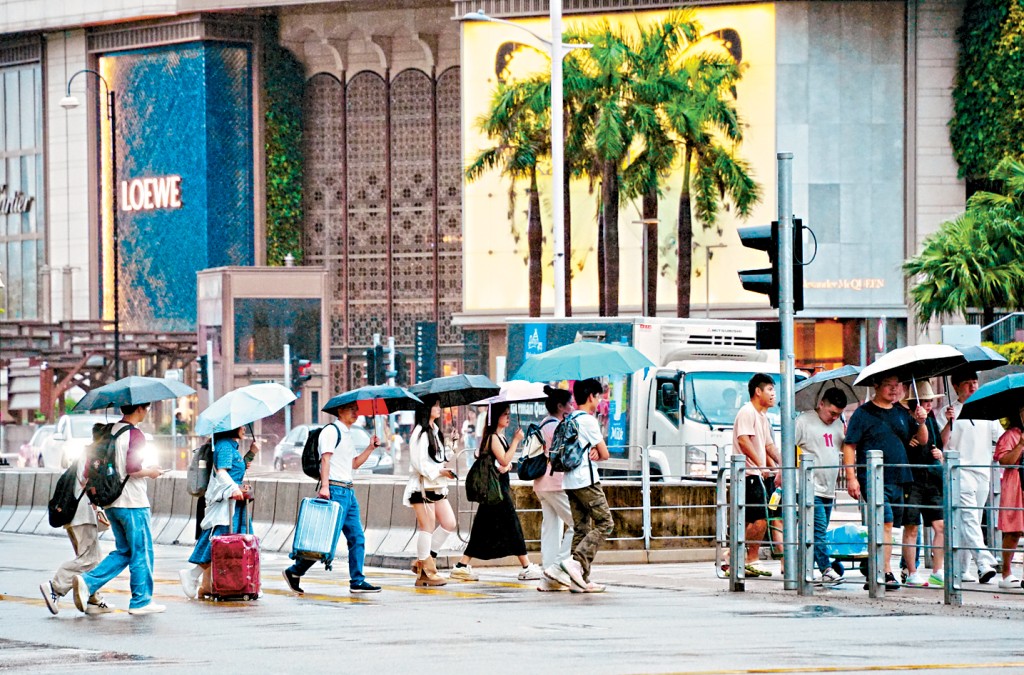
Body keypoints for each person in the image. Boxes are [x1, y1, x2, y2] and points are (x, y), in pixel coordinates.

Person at [71, 403, 165, 615]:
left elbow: (88, 469)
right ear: (140, 409)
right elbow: (133, 469)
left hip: (111, 502)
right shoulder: (135, 435)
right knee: (142, 551)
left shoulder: (108, 431)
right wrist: (151, 471)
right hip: (133, 502)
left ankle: (88, 582)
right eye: (146, 408)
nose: (147, 411)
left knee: (125, 551)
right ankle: (141, 601)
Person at [282, 401, 382, 595]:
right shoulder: (330, 431)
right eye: (351, 409)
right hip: (335, 490)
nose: (356, 413)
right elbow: (325, 459)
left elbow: (353, 464)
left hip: (348, 491)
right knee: (325, 540)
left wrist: (370, 448)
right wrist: (325, 487)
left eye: (356, 409)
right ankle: (295, 571)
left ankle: (357, 580)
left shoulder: (347, 434)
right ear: (340, 410)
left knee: (357, 537)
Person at [843, 374, 927, 591]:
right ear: (876, 386)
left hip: (900, 477)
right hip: (873, 477)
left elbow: (923, 439)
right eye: (888, 386)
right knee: (885, 522)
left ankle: (877, 568)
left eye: (896, 386)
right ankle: (885, 570)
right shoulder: (863, 413)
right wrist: (851, 477)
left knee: (893, 526)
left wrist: (921, 422)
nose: (893, 390)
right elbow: (850, 445)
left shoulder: (901, 412)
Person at [451, 402, 543, 582]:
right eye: (504, 414)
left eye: (509, 414)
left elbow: (502, 462)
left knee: (481, 528)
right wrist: (516, 441)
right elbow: (504, 458)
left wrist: (506, 464)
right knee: (513, 524)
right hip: (497, 492)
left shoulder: (498, 437)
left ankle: (462, 565)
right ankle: (526, 566)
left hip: (496, 491)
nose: (508, 417)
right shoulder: (493, 437)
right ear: (495, 417)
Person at [40, 424, 113, 615]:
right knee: (89, 560)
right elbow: (98, 485)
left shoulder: (87, 453)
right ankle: (54, 587)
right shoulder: (97, 456)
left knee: (90, 558)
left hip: (75, 514)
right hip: (83, 514)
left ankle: (93, 599)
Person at [179, 426, 257, 598]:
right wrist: (233, 489)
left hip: (236, 502)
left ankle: (247, 580)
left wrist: (251, 453)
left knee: (243, 538)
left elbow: (235, 470)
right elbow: (222, 472)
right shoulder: (224, 446)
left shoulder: (231, 447)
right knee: (219, 539)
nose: (244, 428)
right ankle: (192, 574)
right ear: (231, 428)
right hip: (226, 501)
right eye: (241, 426)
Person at [941, 368, 1002, 583]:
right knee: (968, 517)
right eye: (967, 383)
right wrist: (949, 421)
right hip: (960, 471)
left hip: (983, 471)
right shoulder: (949, 411)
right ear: (956, 387)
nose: (972, 386)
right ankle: (984, 561)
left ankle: (965, 568)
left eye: (974, 382)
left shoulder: (988, 412)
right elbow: (941, 443)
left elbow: (1000, 439)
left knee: (972, 519)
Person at [555, 378, 612, 593]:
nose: (599, 401)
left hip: (569, 481)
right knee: (605, 523)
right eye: (598, 397)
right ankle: (577, 562)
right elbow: (605, 453)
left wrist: (595, 452)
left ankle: (579, 581)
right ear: (591, 397)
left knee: (581, 528)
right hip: (586, 480)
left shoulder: (571, 418)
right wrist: (598, 453)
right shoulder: (588, 421)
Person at [793, 387, 848, 585]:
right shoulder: (803, 421)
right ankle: (825, 568)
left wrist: (848, 435)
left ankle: (803, 567)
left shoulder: (838, 425)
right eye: (831, 413)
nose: (834, 417)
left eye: (838, 414)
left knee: (817, 530)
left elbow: (843, 447)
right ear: (821, 404)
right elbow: (788, 445)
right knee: (817, 530)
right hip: (809, 486)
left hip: (829, 487)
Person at [404, 395, 458, 587]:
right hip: (422, 487)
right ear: (425, 409)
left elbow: (440, 458)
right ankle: (426, 571)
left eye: (438, 405)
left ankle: (424, 561)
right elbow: (419, 464)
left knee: (449, 523)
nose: (438, 408)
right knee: (426, 527)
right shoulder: (419, 432)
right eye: (434, 406)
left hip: (436, 486)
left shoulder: (435, 431)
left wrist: (452, 444)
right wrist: (440, 471)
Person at [731, 373, 781, 578]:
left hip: (757, 473)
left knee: (756, 519)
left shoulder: (762, 416)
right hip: (748, 473)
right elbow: (743, 441)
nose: (773, 394)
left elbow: (768, 445)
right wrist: (761, 465)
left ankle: (735, 556)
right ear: (757, 391)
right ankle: (749, 558)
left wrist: (781, 464)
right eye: (769, 389)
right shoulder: (747, 411)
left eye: (774, 390)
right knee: (758, 518)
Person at [899, 380, 946, 588]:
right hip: (913, 477)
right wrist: (920, 425)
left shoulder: (933, 418)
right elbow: (920, 441)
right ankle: (912, 572)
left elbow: (938, 442)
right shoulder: (906, 418)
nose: (928, 405)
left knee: (940, 525)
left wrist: (941, 454)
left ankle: (938, 570)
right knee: (912, 527)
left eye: (929, 401)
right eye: (924, 401)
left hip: (932, 475)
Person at [534, 385, 575, 592]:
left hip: (541, 484)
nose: (572, 406)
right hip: (556, 482)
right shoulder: (557, 427)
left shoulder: (543, 425)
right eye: (569, 403)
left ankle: (548, 574)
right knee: (578, 524)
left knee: (551, 529)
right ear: (560, 406)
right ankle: (558, 567)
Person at [993, 405, 1024, 589]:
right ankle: (1006, 572)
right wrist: (1020, 445)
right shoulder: (1010, 435)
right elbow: (1005, 461)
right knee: (1013, 531)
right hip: (1016, 485)